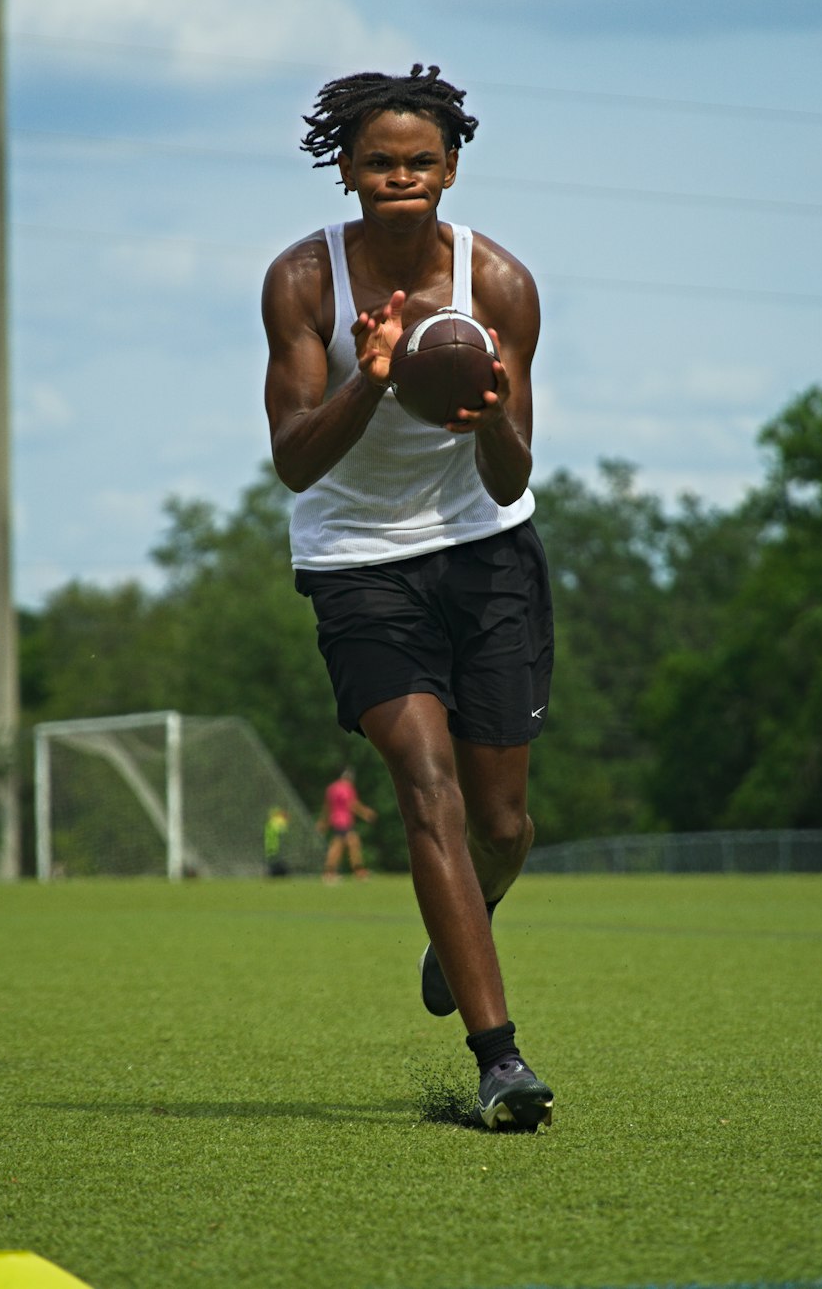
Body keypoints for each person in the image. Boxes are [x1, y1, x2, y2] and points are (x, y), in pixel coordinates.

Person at [261, 64, 554, 1133]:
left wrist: (486, 412)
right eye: (378, 161)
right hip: (356, 561)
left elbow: (512, 476)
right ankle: (500, 1061)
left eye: (418, 161)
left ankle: (461, 916)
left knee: (504, 822)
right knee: (424, 785)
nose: (399, 178)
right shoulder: (303, 282)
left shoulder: (502, 285)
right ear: (345, 169)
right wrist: (373, 378)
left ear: (451, 167)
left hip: (484, 555)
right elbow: (294, 462)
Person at [317, 766, 377, 882]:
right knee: (344, 845)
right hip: (344, 821)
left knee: (347, 843)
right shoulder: (347, 787)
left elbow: (327, 807)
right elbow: (352, 804)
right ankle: (351, 872)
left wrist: (323, 821)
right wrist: (366, 813)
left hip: (335, 820)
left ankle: (334, 872)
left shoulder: (332, 788)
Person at [264, 807, 291, 877]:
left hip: (270, 845)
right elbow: (283, 832)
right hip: (275, 845)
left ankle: (273, 873)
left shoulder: (271, 822)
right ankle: (277, 873)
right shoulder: (278, 821)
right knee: (276, 860)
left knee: (273, 860)